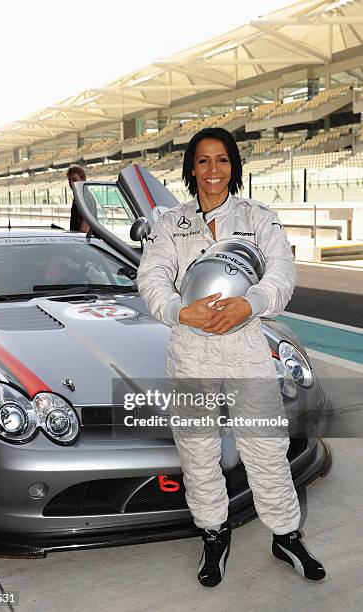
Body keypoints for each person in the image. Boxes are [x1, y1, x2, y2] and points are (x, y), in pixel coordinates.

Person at [137, 127, 325, 588]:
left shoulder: (258, 217)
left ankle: (285, 535)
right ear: (191, 169)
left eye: (222, 160)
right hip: (191, 347)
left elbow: (282, 271)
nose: (213, 170)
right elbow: (152, 278)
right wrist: (180, 311)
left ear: (234, 167)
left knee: (265, 446)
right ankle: (213, 534)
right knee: (198, 451)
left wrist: (251, 303)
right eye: (203, 161)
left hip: (244, 344)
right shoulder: (170, 223)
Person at [67, 165, 90, 233]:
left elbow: (84, 229)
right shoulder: (79, 197)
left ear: (83, 180)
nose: (71, 183)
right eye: (69, 180)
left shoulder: (85, 198)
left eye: (74, 180)